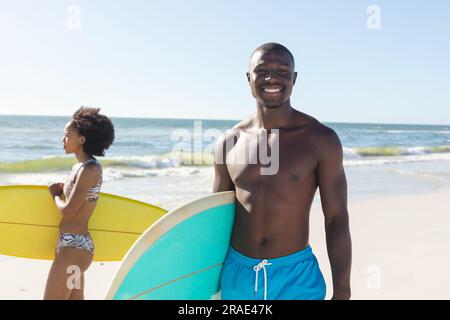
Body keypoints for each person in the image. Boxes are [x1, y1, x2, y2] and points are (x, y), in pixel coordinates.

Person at [214, 43, 352, 300]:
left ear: (294, 78)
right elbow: (216, 222)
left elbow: (336, 218)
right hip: (237, 275)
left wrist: (342, 291)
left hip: (296, 278)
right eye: (262, 70)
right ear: (248, 79)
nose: (271, 78)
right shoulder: (228, 142)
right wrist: (202, 283)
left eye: (282, 70)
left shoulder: (320, 139)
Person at [44, 107, 115, 300]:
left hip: (75, 248)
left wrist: (55, 195)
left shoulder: (90, 170)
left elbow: (69, 212)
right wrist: (63, 188)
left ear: (82, 139)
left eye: (68, 135)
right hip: (69, 246)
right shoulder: (79, 167)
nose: (63, 139)